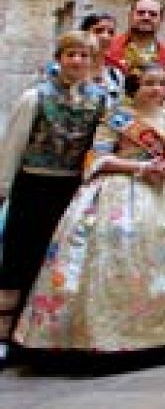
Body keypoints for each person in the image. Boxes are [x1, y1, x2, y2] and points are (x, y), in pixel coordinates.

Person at [15, 64, 165, 353]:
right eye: (149, 84)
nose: (157, 90)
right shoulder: (116, 118)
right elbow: (99, 157)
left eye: (161, 84)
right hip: (121, 191)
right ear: (134, 88)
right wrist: (140, 167)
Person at [0, 32, 110, 361]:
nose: (77, 61)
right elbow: (14, 146)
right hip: (34, 185)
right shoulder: (36, 97)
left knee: (57, 261)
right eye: (71, 55)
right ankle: (4, 334)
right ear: (60, 58)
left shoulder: (99, 100)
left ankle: (38, 334)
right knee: (19, 258)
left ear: (92, 61)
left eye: (83, 56)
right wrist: (3, 187)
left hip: (71, 189)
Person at [102, 0, 165, 72]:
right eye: (141, 13)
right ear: (130, 16)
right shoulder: (106, 49)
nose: (146, 17)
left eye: (153, 14)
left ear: (161, 20)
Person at [77, 11, 123, 99]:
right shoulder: (68, 68)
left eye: (111, 33)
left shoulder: (115, 75)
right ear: (84, 34)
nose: (105, 36)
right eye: (98, 31)